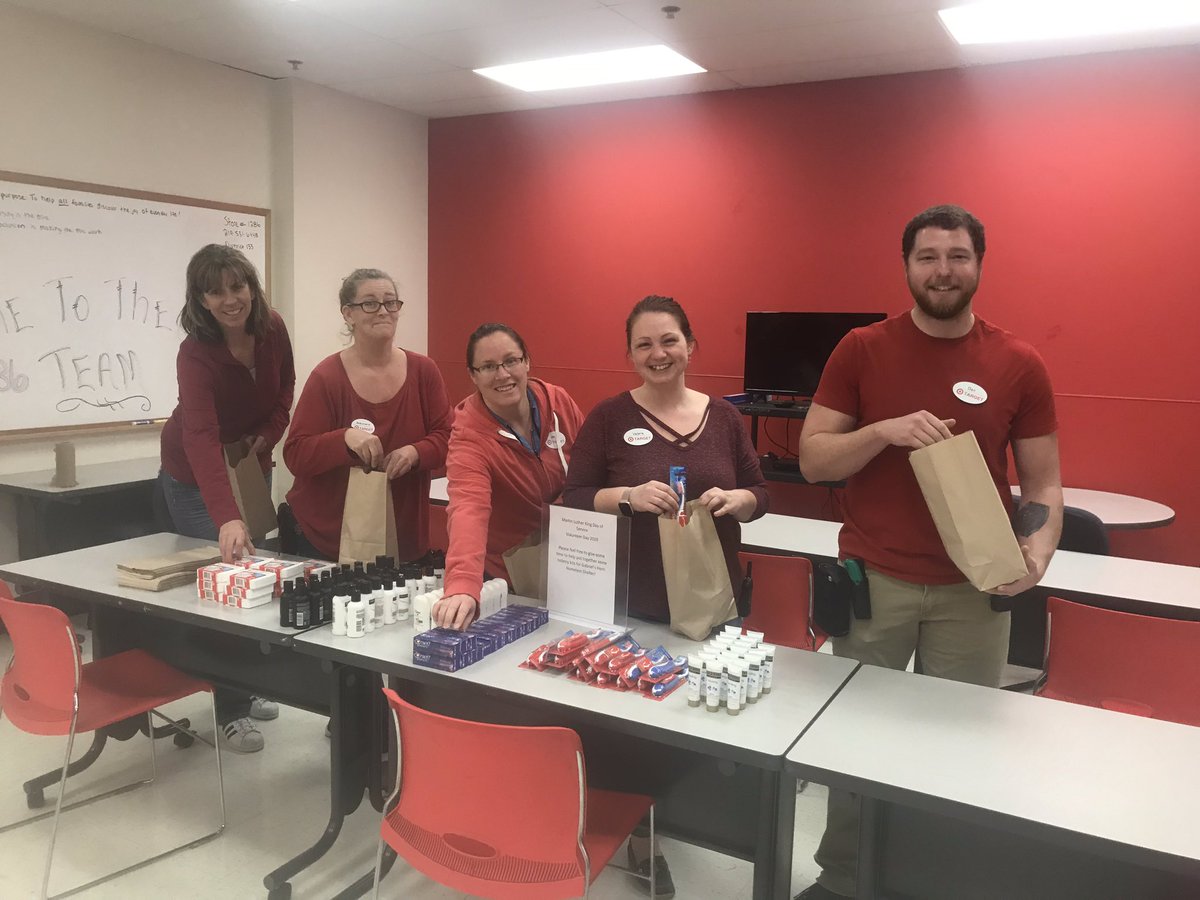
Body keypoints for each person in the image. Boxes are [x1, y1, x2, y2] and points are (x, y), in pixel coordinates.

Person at [793, 204, 1064, 900]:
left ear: (978, 264)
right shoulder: (862, 349)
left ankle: (938, 877)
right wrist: (882, 430)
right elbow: (816, 460)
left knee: (957, 750)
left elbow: (1043, 483)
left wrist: (1036, 554)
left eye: (957, 256)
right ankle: (842, 878)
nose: (943, 270)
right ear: (907, 265)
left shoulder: (1018, 363)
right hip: (872, 582)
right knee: (854, 744)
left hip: (972, 593)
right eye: (928, 256)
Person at [563, 295, 769, 898]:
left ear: (691, 345)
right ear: (629, 354)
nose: (659, 354)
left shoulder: (726, 418)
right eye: (645, 344)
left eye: (670, 341)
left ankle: (695, 822)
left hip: (710, 599)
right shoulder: (606, 417)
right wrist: (625, 495)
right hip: (632, 604)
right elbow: (573, 496)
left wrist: (742, 502)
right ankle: (643, 840)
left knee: (699, 722)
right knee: (632, 731)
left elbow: (760, 489)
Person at [158, 243, 295, 753]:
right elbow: (199, 436)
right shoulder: (196, 353)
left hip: (248, 464)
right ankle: (232, 709)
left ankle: (243, 684)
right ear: (201, 299)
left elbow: (285, 390)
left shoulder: (273, 326)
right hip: (195, 475)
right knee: (225, 585)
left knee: (255, 581)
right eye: (215, 291)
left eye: (237, 286)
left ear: (251, 286)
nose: (230, 299)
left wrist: (269, 433)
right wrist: (226, 518)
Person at [283, 268, 451, 565]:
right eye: (370, 303)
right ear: (348, 314)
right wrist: (344, 439)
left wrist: (416, 452)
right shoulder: (327, 377)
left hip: (404, 536)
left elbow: (448, 438)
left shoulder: (424, 371)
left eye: (390, 302)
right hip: (331, 540)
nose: (383, 311)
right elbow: (296, 454)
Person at [433, 324, 583, 630]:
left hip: (573, 560)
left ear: (527, 361)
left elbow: (590, 468)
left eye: (511, 361)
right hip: (510, 578)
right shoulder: (469, 435)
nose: (502, 375)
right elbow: (468, 506)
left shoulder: (558, 403)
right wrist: (462, 583)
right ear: (472, 375)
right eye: (488, 366)